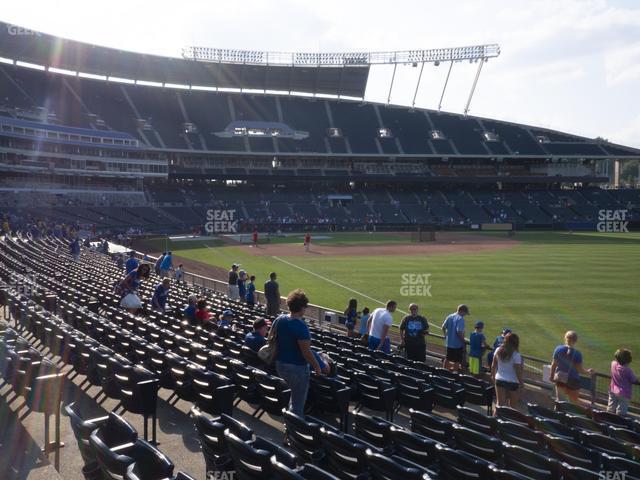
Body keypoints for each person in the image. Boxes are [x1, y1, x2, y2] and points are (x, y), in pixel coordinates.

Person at [274, 289, 322, 416]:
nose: (305, 309)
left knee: (294, 398)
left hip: (280, 364)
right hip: (296, 369)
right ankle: (294, 433)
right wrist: (317, 366)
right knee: (297, 406)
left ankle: (291, 428)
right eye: (305, 306)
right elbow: (306, 352)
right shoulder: (300, 326)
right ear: (301, 307)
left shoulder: (279, 319)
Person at [550, 331, 593, 404]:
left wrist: (551, 376)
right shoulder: (577, 353)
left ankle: (559, 413)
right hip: (573, 380)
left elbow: (553, 364)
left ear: (565, 338)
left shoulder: (558, 349)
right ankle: (590, 409)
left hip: (560, 378)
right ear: (575, 341)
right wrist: (588, 372)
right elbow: (580, 370)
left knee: (560, 400)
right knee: (574, 401)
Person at [491, 332, 523, 411]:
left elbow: (493, 365)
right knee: (513, 408)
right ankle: (510, 422)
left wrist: (493, 376)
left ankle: (495, 421)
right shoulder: (516, 354)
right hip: (512, 382)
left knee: (499, 405)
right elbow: (518, 371)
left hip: (499, 380)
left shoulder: (498, 350)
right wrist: (521, 383)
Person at [608, 348, 639, 415]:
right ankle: (618, 424)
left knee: (610, 410)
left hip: (612, 391)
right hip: (624, 394)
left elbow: (616, 360)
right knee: (620, 413)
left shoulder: (613, 364)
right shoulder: (627, 370)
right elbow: (634, 380)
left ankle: (608, 421)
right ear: (629, 360)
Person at [441, 304, 469, 372]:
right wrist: (463, 340)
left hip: (449, 343)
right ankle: (454, 374)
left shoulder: (450, 316)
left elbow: (443, 327)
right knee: (457, 360)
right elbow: (459, 332)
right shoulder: (460, 319)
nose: (465, 315)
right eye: (465, 313)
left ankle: (444, 372)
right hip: (457, 344)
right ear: (462, 311)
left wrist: (445, 336)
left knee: (447, 358)